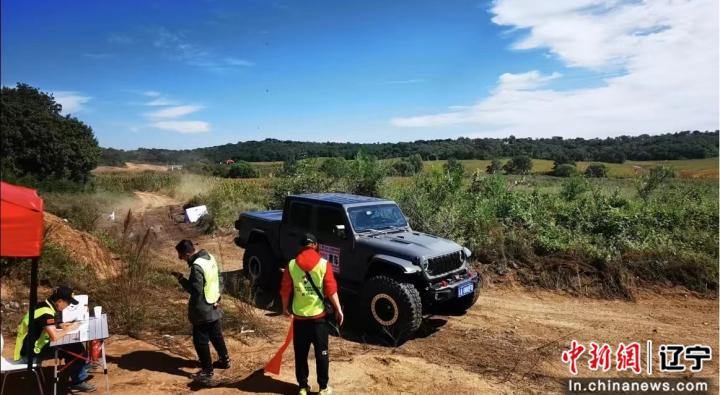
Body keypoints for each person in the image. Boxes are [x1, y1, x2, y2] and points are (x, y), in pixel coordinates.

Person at [280, 233, 344, 395]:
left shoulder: (292, 265)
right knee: (322, 353)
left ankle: (303, 387)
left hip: (300, 320)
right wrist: (338, 309)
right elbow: (331, 290)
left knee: (301, 354)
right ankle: (323, 388)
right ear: (315, 245)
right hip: (319, 320)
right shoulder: (324, 264)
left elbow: (285, 290)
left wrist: (285, 308)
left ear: (301, 247)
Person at [14, 286, 96, 393]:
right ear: (60, 301)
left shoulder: (43, 305)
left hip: (27, 349)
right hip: (29, 356)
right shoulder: (46, 313)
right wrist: (69, 328)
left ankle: (80, 366)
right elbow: (54, 337)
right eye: (68, 303)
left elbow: (41, 326)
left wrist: (59, 325)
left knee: (74, 346)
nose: (67, 306)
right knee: (76, 348)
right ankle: (78, 381)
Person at [173, 239, 230, 385]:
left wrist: (181, 279)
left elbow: (195, 289)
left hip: (202, 309)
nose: (180, 259)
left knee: (200, 341)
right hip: (214, 304)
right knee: (216, 335)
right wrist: (218, 296)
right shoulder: (209, 258)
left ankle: (207, 371)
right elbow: (219, 278)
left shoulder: (196, 266)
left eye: (180, 255)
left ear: (187, 253)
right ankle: (225, 360)